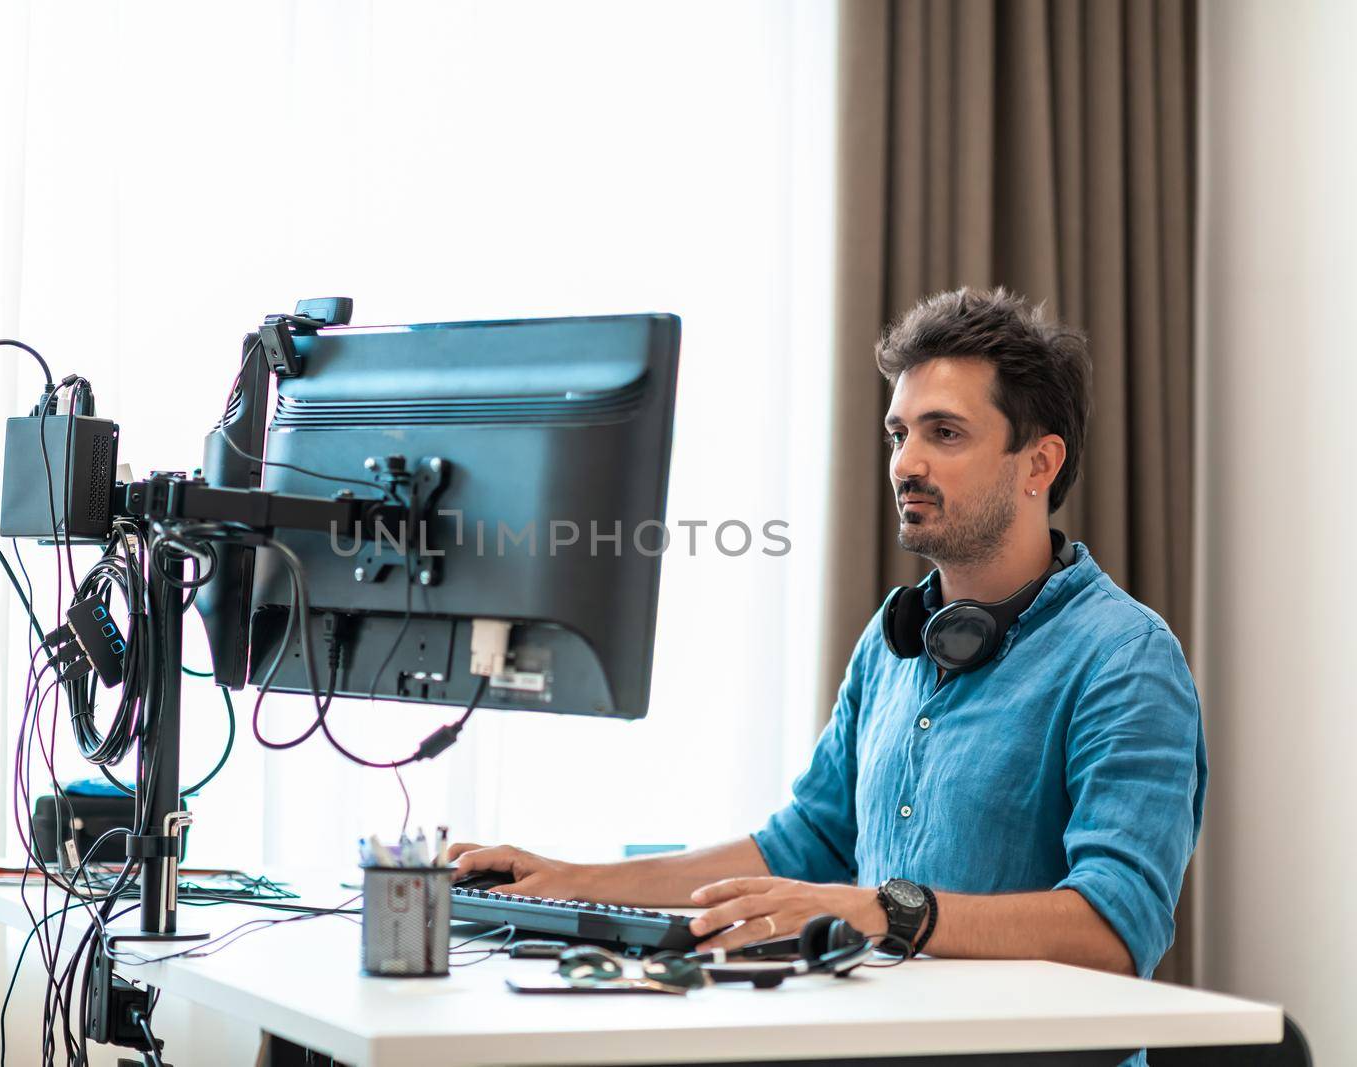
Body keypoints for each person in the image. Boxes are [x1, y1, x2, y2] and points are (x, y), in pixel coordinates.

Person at [449, 287, 1206, 986]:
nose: (906, 463)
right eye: (899, 433)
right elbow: (804, 843)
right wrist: (571, 878)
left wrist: (888, 910)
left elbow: (1115, 926)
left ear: (1039, 462)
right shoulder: (892, 639)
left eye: (945, 433)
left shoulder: (1124, 659)